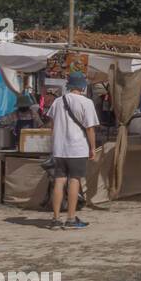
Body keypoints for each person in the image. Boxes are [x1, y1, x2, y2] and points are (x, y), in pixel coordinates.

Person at [47, 71, 100, 230]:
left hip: (59, 147)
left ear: (69, 85)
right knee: (74, 180)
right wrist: (92, 148)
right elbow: (90, 129)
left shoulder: (57, 101)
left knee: (59, 180)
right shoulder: (86, 103)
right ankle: (70, 218)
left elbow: (52, 124)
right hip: (77, 147)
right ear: (83, 86)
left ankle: (56, 219)